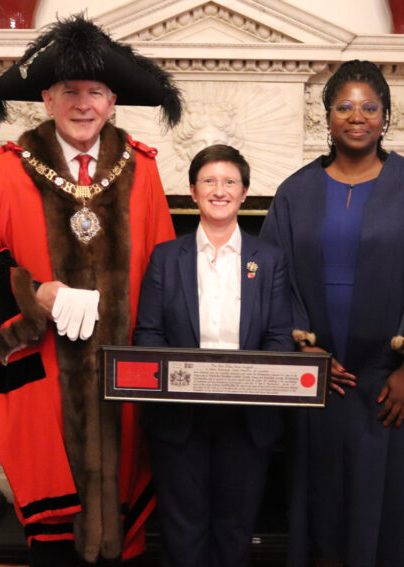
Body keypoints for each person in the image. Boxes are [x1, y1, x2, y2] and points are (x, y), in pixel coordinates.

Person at [0, 16, 181, 567]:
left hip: (124, 371)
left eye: (95, 91)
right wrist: (36, 294)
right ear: (46, 99)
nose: (82, 103)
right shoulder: (11, 170)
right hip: (45, 369)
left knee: (124, 507)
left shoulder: (141, 170)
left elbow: (166, 269)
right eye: (69, 91)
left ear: (113, 100)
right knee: (57, 529)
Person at [260, 60, 404, 567]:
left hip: (392, 379)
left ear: (386, 116)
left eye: (369, 107)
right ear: (326, 118)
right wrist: (307, 352)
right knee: (325, 500)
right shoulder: (295, 191)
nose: (357, 116)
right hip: (325, 377)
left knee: (390, 501)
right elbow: (273, 274)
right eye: (344, 106)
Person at [132, 145, 293, 567]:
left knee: (235, 526)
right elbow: (147, 334)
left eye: (229, 182)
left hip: (247, 417)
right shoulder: (166, 258)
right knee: (181, 527)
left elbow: (279, 337)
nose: (219, 190)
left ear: (244, 193)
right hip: (179, 416)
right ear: (192, 192)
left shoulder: (270, 260)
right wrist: (182, 382)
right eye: (209, 181)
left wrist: (251, 384)